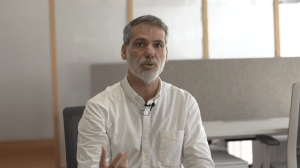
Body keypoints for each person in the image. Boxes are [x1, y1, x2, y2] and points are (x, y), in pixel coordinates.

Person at [77, 15, 215, 168]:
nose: (150, 52)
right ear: (124, 51)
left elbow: (200, 162)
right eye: (140, 44)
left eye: (158, 45)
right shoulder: (99, 108)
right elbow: (90, 165)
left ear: (166, 54)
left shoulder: (184, 103)